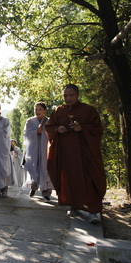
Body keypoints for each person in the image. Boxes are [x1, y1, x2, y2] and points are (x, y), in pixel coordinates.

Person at [45, 84, 106, 224]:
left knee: (89, 180)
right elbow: (49, 127)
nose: (68, 98)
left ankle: (93, 211)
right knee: (70, 180)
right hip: (66, 154)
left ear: (77, 95)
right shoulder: (59, 111)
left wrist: (82, 128)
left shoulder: (89, 110)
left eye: (71, 95)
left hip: (85, 154)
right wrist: (57, 129)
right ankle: (75, 206)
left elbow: (97, 129)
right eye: (65, 95)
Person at [22, 102, 54, 200]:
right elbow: (26, 134)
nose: (37, 111)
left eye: (40, 109)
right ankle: (33, 187)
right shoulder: (30, 121)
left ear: (45, 111)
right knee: (33, 167)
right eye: (36, 109)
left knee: (46, 169)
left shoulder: (49, 121)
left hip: (45, 149)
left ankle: (46, 192)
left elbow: (53, 134)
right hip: (33, 149)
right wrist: (36, 132)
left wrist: (43, 132)